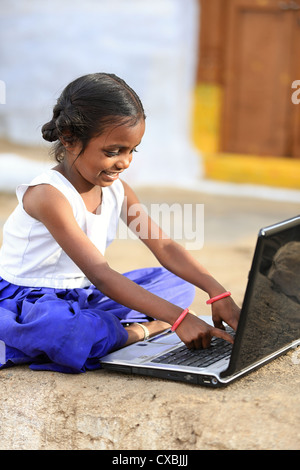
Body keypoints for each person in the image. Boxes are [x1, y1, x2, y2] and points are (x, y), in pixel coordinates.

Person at [0, 73, 240, 373]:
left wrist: (217, 292)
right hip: (30, 301)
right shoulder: (50, 196)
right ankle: (137, 332)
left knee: (175, 285)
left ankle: (110, 329)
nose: (124, 162)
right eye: (113, 151)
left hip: (81, 294)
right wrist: (177, 319)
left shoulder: (117, 190)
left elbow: (164, 246)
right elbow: (101, 274)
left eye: (131, 151)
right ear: (70, 139)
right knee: (65, 332)